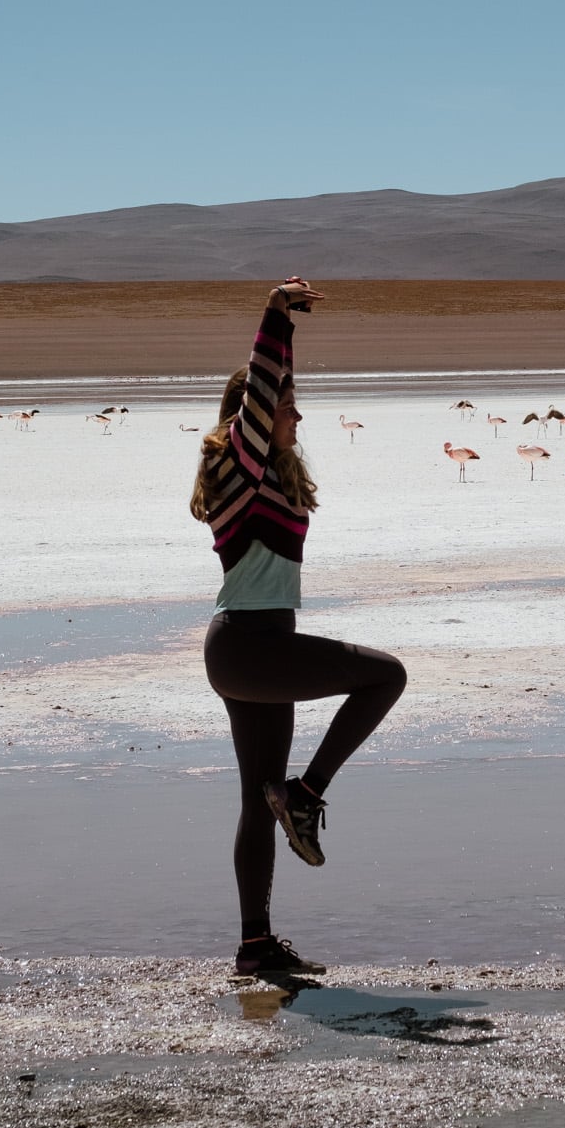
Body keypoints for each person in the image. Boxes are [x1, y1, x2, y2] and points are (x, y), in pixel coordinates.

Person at [191, 277, 406, 979]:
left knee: (257, 800)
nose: (297, 417)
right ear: (245, 421)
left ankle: (255, 947)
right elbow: (259, 388)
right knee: (385, 674)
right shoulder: (239, 470)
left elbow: (270, 400)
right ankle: (307, 793)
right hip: (253, 647)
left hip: (253, 650)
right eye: (288, 407)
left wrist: (289, 349)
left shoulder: (269, 480)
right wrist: (277, 316)